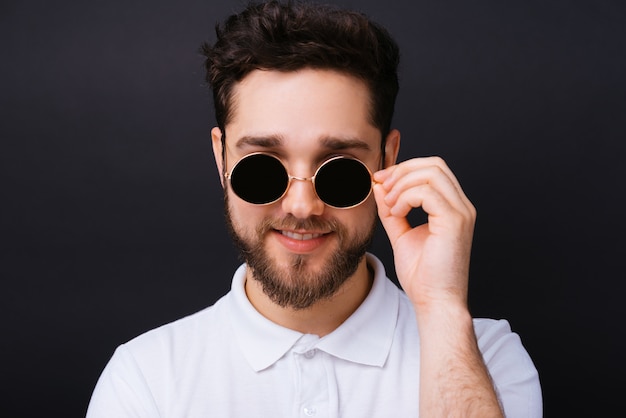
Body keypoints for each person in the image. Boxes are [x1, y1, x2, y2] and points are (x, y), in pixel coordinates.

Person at [86, 1, 542, 417]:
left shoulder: (484, 359)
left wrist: (441, 308)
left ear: (387, 159)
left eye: (339, 169)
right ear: (221, 159)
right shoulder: (145, 380)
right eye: (263, 168)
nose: (302, 206)